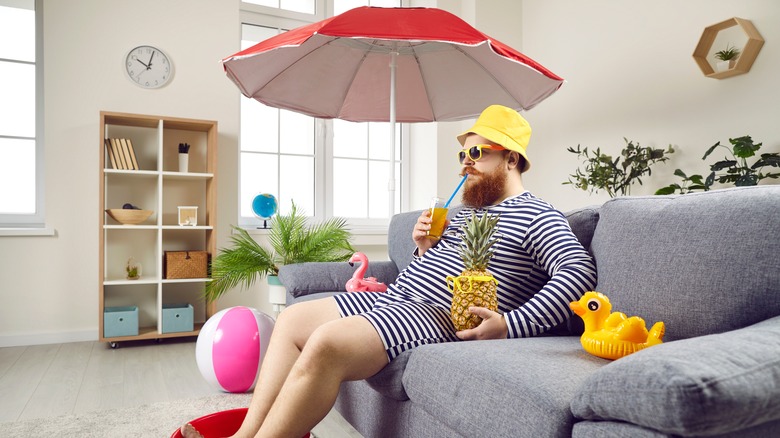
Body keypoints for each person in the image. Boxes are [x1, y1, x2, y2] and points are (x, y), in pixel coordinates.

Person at [181, 104, 597, 438]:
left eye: (475, 153)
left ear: (510, 159)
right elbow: (430, 270)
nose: (464, 164)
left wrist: (509, 324)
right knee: (290, 319)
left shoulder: (536, 214)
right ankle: (246, 432)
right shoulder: (461, 215)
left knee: (326, 343)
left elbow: (577, 273)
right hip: (396, 299)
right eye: (461, 154)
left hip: (436, 315)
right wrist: (423, 249)